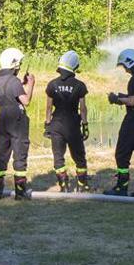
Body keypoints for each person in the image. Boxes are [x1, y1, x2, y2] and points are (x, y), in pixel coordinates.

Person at [104, 48, 134, 197]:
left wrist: (116, 99)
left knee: (122, 153)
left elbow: (132, 101)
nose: (125, 70)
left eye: (124, 66)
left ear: (129, 62)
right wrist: (122, 95)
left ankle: (121, 187)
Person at [0, 47, 34, 200]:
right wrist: (30, 84)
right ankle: (20, 192)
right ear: (13, 64)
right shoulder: (14, 81)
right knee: (20, 154)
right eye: (19, 64)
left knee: (2, 154)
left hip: (2, 117)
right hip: (17, 118)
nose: (20, 67)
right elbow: (26, 101)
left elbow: (6, 97)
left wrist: (20, 86)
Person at [44, 50, 90, 193]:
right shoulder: (80, 85)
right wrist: (85, 125)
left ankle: (63, 186)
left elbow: (49, 107)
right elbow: (82, 109)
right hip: (73, 125)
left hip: (56, 125)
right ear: (75, 67)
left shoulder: (52, 84)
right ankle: (82, 185)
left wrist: (47, 124)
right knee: (79, 156)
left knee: (58, 156)